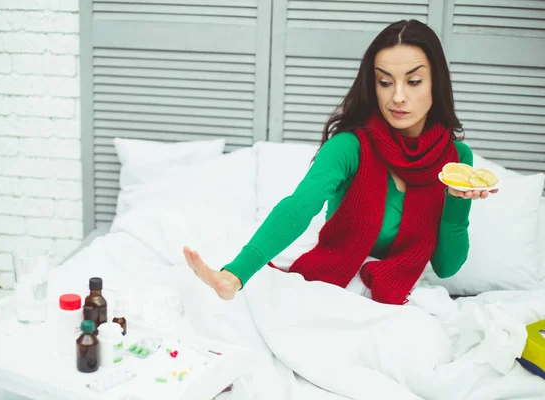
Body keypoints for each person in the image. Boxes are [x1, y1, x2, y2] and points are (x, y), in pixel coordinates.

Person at [183, 19, 498, 305]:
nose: (398, 97)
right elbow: (299, 206)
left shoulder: (457, 160)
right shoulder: (349, 146)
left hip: (398, 291)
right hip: (334, 280)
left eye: (413, 82)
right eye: (385, 82)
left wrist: (456, 203)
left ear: (436, 84)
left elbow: (446, 267)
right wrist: (236, 274)